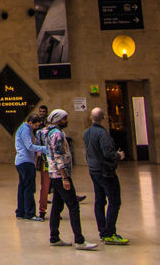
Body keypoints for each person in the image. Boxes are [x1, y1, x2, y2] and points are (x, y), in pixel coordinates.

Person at [45, 109, 98, 250]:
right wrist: (64, 177)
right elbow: (58, 157)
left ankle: (54, 237)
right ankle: (79, 240)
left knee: (57, 205)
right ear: (58, 120)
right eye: (64, 118)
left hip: (54, 174)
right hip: (60, 174)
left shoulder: (50, 132)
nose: (67, 121)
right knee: (73, 206)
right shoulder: (56, 134)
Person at [83, 107, 128, 245]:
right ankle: (109, 232)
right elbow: (108, 153)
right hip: (105, 171)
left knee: (100, 200)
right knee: (114, 201)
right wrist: (118, 156)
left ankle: (103, 230)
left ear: (91, 118)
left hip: (93, 170)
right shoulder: (103, 134)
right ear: (103, 118)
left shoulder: (87, 133)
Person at [14, 113, 48, 220]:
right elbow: (29, 146)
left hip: (22, 161)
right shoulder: (25, 129)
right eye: (36, 125)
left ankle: (21, 211)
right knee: (29, 188)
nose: (37, 128)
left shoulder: (24, 128)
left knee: (23, 187)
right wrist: (46, 149)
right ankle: (30, 213)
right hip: (26, 162)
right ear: (30, 122)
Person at [35, 104, 52, 219]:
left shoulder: (39, 133)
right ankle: (43, 209)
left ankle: (43, 210)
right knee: (46, 186)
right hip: (48, 162)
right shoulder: (41, 132)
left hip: (46, 162)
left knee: (46, 186)